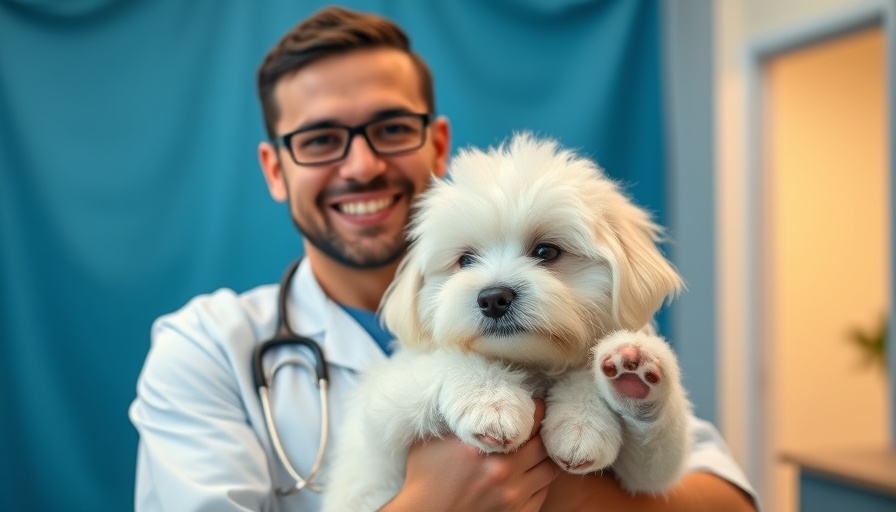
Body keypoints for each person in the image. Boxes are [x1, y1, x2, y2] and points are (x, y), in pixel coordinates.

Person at [129, 6, 759, 511]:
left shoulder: (612, 343)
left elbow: (726, 498)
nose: (361, 165)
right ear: (274, 168)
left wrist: (556, 485)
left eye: (390, 128)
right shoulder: (205, 347)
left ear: (437, 145)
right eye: (320, 139)